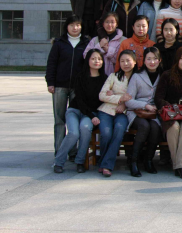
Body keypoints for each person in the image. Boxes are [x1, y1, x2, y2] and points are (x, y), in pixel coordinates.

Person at [53, 49, 106, 174]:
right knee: (73, 133)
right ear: (87, 60)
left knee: (85, 128)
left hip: (90, 114)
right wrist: (92, 116)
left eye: (99, 59)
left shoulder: (105, 79)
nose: (96, 61)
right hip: (76, 110)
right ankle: (58, 162)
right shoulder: (80, 77)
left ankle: (80, 162)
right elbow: (80, 100)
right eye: (93, 58)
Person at [46, 15, 90, 159]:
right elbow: (51, 63)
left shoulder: (86, 43)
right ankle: (59, 151)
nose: (75, 28)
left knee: (75, 120)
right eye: (72, 25)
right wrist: (50, 82)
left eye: (77, 25)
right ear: (67, 27)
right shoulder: (59, 43)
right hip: (60, 86)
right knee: (59, 120)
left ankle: (72, 151)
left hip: (77, 88)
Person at [155, 46, 182, 179]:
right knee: (174, 127)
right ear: (177, 59)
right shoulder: (167, 75)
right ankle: (178, 165)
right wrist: (171, 107)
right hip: (170, 115)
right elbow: (158, 98)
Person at [97, 49, 137, 177]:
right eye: (122, 61)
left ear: (135, 62)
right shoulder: (113, 76)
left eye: (128, 61)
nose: (125, 64)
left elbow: (136, 97)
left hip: (124, 113)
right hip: (106, 110)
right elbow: (102, 95)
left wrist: (123, 103)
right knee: (106, 133)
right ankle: (104, 162)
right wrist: (119, 98)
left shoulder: (138, 78)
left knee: (119, 129)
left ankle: (106, 165)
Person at [124, 46, 162, 177]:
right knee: (144, 126)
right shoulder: (137, 76)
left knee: (155, 128)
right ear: (144, 61)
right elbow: (128, 101)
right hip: (136, 111)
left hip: (154, 113)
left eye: (155, 59)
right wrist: (145, 105)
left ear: (159, 60)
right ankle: (133, 161)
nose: (152, 62)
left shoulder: (162, 76)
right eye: (149, 59)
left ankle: (148, 160)